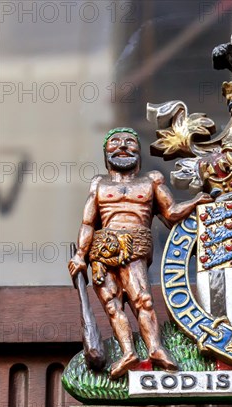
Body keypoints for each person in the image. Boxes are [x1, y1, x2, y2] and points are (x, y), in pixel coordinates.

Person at [68, 127, 212, 379]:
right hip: (101, 250)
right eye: (114, 142)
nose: (122, 146)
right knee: (113, 306)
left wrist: (196, 201)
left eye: (130, 142)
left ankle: (156, 349)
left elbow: (171, 213)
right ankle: (127, 353)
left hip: (135, 244)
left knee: (142, 298)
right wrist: (80, 254)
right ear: (105, 151)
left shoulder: (152, 180)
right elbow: (88, 223)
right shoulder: (99, 183)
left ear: (139, 151)